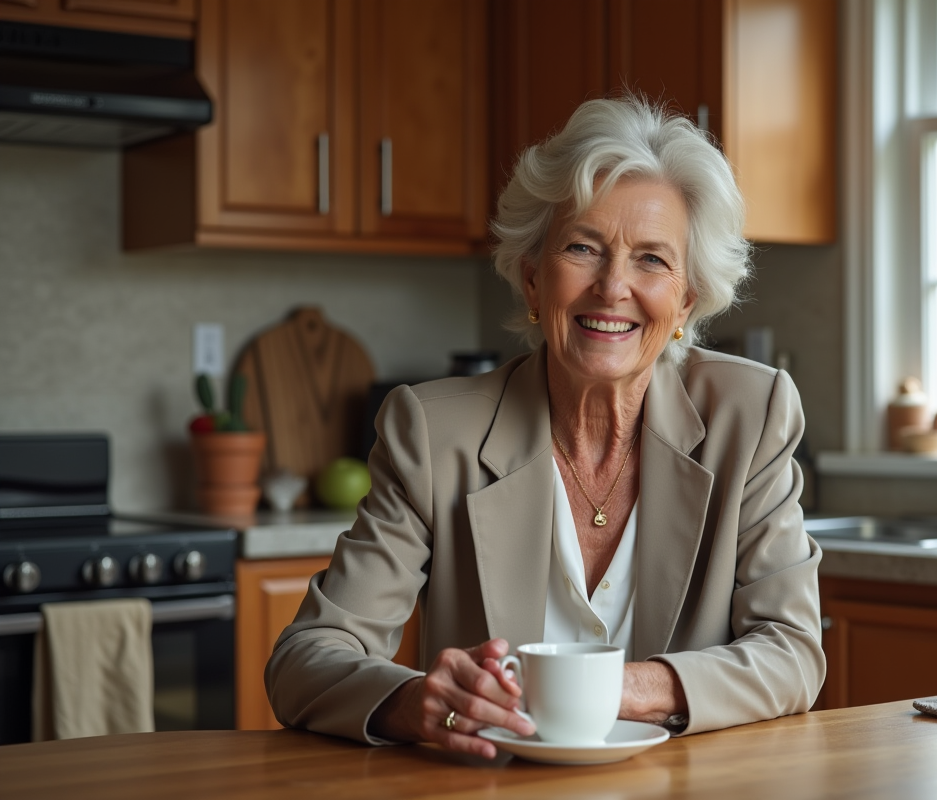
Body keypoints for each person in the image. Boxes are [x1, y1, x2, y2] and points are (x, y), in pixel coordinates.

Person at [266, 96, 825, 758]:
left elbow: (791, 653)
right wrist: (416, 702)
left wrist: (621, 689)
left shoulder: (750, 414)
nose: (612, 286)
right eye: (583, 247)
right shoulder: (435, 434)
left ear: (685, 303)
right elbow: (304, 660)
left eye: (651, 259)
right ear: (533, 282)